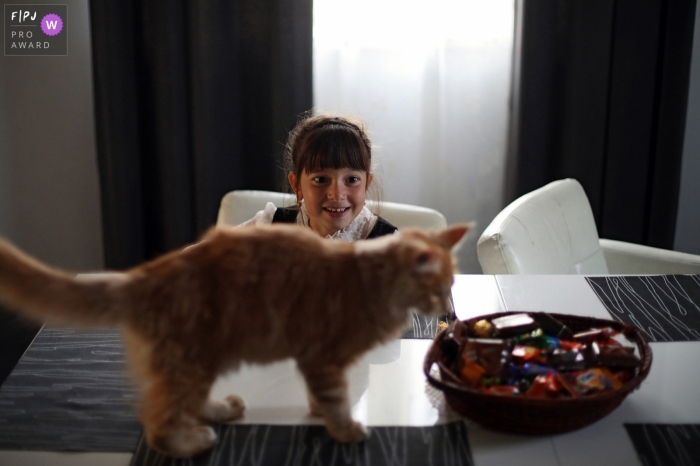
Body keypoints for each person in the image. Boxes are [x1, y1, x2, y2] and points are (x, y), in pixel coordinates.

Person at [240, 114, 397, 241]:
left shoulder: (390, 245)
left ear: (366, 184)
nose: (337, 194)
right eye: (321, 180)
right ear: (297, 186)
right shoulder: (267, 227)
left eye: (352, 180)